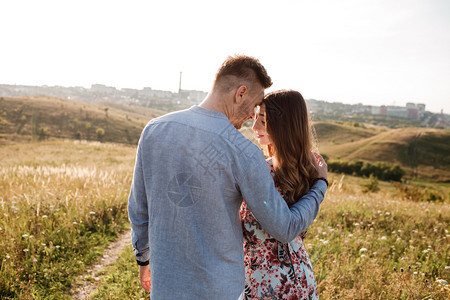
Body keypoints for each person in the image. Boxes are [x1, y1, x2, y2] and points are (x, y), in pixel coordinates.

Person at [127, 55, 328, 300]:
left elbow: (138, 209)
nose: (251, 118)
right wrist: (320, 186)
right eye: (254, 106)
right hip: (221, 290)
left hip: (166, 287)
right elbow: (284, 227)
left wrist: (143, 259)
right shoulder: (243, 152)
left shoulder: (154, 130)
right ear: (240, 93)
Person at [241, 90, 323, 299]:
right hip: (301, 278)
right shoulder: (307, 171)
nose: (254, 127)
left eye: (263, 120)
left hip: (267, 284)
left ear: (283, 125)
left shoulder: (262, 172)